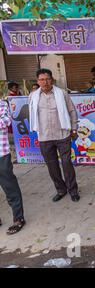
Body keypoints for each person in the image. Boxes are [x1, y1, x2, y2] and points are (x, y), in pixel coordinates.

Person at [29, 69, 80, 202]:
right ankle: (61, 190)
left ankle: (73, 190)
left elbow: (72, 111)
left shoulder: (62, 93)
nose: (45, 82)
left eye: (47, 79)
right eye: (41, 79)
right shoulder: (33, 96)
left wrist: (74, 129)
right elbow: (32, 114)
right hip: (44, 137)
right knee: (52, 166)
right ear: (37, 81)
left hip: (62, 134)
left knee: (67, 163)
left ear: (52, 80)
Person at [0, 99, 26, 235]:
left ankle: (18, 218)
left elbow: (5, 121)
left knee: (9, 187)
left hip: (1, 154)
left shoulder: (2, 104)